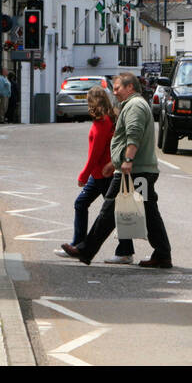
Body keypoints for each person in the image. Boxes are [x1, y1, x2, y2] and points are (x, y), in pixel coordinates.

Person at [62, 72, 173, 268]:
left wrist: (127, 160)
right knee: (148, 212)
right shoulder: (133, 105)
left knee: (109, 210)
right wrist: (114, 163)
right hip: (138, 171)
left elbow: (134, 134)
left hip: (134, 172)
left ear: (130, 87)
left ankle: (86, 250)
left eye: (117, 88)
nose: (114, 92)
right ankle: (162, 254)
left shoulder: (134, 106)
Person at [64, 86, 135, 264]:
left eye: (88, 101)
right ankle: (79, 244)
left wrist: (83, 174)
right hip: (99, 175)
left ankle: (125, 251)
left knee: (111, 214)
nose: (87, 104)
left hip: (103, 174)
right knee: (83, 204)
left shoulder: (102, 123)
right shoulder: (106, 120)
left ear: (94, 102)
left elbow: (95, 153)